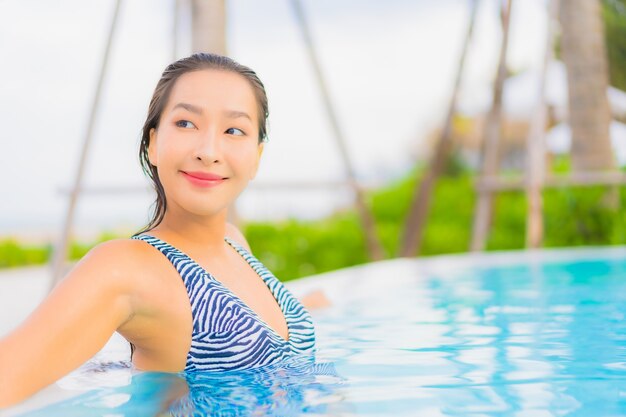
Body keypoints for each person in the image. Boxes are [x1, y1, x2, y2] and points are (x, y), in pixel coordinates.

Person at [0, 52, 331, 408]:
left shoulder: (233, 243)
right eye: (186, 123)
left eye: (234, 130)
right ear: (153, 143)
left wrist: (305, 305)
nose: (209, 151)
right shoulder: (128, 267)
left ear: (257, 156)